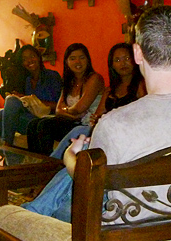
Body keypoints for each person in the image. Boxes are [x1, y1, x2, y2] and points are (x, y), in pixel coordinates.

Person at [62, 6, 171, 240]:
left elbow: (87, 184)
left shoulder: (113, 124)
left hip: (128, 235)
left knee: (48, 206)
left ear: (137, 53)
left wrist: (71, 155)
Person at [22, 42, 146, 221]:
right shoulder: (110, 89)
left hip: (118, 135)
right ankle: (43, 173)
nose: (122, 63)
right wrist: (98, 120)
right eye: (117, 60)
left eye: (126, 58)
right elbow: (98, 114)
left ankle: (44, 175)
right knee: (39, 124)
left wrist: (99, 121)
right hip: (101, 130)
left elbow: (82, 110)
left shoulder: (141, 86)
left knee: (79, 131)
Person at [26, 43, 105, 155]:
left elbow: (79, 108)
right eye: (73, 58)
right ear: (67, 62)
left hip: (86, 125)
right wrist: (72, 113)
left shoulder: (95, 79)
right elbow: (59, 110)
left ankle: (47, 164)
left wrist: (67, 110)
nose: (78, 62)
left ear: (88, 60)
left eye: (82, 58)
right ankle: (34, 162)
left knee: (45, 126)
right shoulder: (69, 82)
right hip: (73, 121)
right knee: (33, 124)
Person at [0, 44, 62, 146]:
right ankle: (10, 155)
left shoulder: (52, 76)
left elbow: (59, 105)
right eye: (24, 59)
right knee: (1, 114)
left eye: (32, 56)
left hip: (47, 121)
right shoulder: (27, 80)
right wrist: (22, 98)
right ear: (22, 64)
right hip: (32, 119)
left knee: (11, 101)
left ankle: (5, 145)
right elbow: (29, 106)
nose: (29, 61)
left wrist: (31, 100)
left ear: (38, 57)